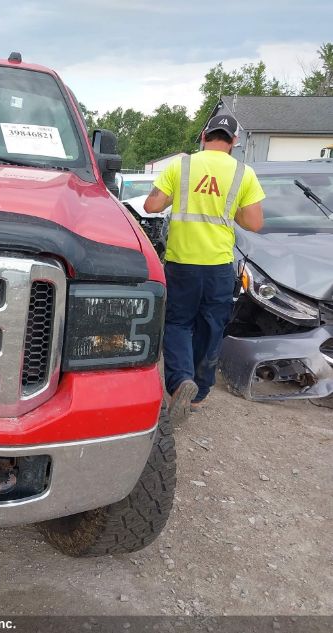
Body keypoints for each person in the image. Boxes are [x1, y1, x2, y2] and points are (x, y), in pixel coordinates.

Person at [143, 114, 265, 423]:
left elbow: (151, 206)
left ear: (203, 135)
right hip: (219, 267)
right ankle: (197, 395)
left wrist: (183, 197)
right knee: (211, 327)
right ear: (234, 141)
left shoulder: (181, 166)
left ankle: (180, 380)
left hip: (182, 263)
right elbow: (254, 222)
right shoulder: (243, 173)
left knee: (179, 324)